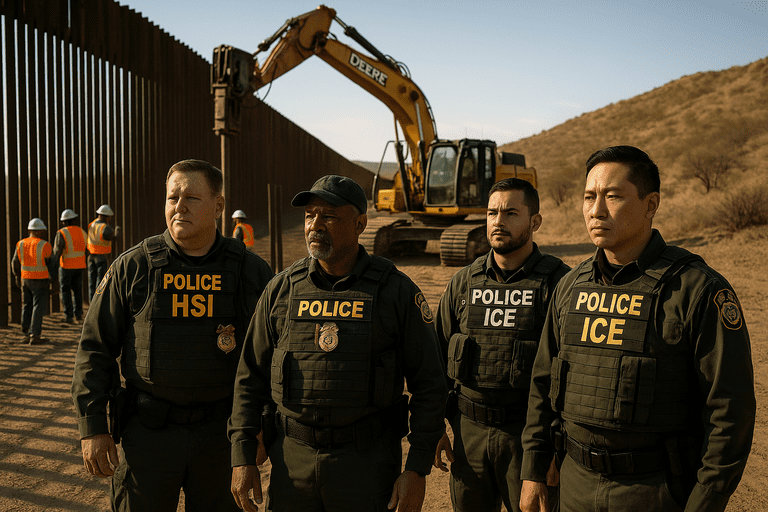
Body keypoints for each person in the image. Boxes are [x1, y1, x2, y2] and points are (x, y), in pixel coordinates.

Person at [519, 146, 755, 512]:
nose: (596, 210)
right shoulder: (570, 286)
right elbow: (542, 383)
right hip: (575, 485)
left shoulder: (697, 289)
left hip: (655, 490)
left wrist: (707, 501)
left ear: (651, 204)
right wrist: (533, 469)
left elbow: (729, 410)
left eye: (612, 197)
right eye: (588, 197)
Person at [229, 174, 447, 512]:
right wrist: (242, 454)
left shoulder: (395, 292)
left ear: (360, 223)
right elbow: (249, 378)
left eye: (329, 215)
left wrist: (416, 469)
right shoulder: (281, 290)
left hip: (366, 465)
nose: (315, 224)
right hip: (292, 464)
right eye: (309, 215)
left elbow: (430, 384)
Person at [71, 159, 274, 511]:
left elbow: (270, 360)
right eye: (172, 197)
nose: (179, 207)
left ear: (218, 206)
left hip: (221, 436)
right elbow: (95, 347)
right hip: (148, 435)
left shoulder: (250, 271)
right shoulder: (134, 267)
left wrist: (261, 427)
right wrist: (92, 425)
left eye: (192, 198)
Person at [433, 178, 569, 512]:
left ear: (534, 221)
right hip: (469, 435)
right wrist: (434, 426)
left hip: (528, 437)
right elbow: (434, 361)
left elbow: (573, 375)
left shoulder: (560, 284)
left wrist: (551, 449)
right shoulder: (464, 282)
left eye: (510, 212)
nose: (498, 221)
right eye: (492, 212)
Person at [12, 218, 56, 345]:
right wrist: (52, 278)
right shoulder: (45, 245)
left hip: (25, 279)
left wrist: (17, 276)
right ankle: (35, 335)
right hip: (40, 279)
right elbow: (51, 263)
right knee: (38, 307)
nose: (42, 233)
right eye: (42, 231)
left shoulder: (20, 244)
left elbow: (15, 263)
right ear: (39, 231)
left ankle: (25, 333)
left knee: (27, 305)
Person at [53, 209, 87, 324]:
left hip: (66, 266)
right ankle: (79, 315)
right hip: (80, 265)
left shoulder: (62, 233)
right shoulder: (81, 231)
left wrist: (53, 266)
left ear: (65, 222)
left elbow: (57, 251)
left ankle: (69, 316)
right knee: (78, 291)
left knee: (65, 291)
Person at [87, 203, 121, 300]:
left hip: (91, 256)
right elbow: (111, 237)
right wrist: (117, 232)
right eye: (109, 217)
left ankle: (91, 302)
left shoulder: (91, 225)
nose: (110, 219)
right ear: (105, 216)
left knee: (91, 281)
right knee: (100, 281)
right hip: (101, 256)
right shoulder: (104, 227)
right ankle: (98, 301)